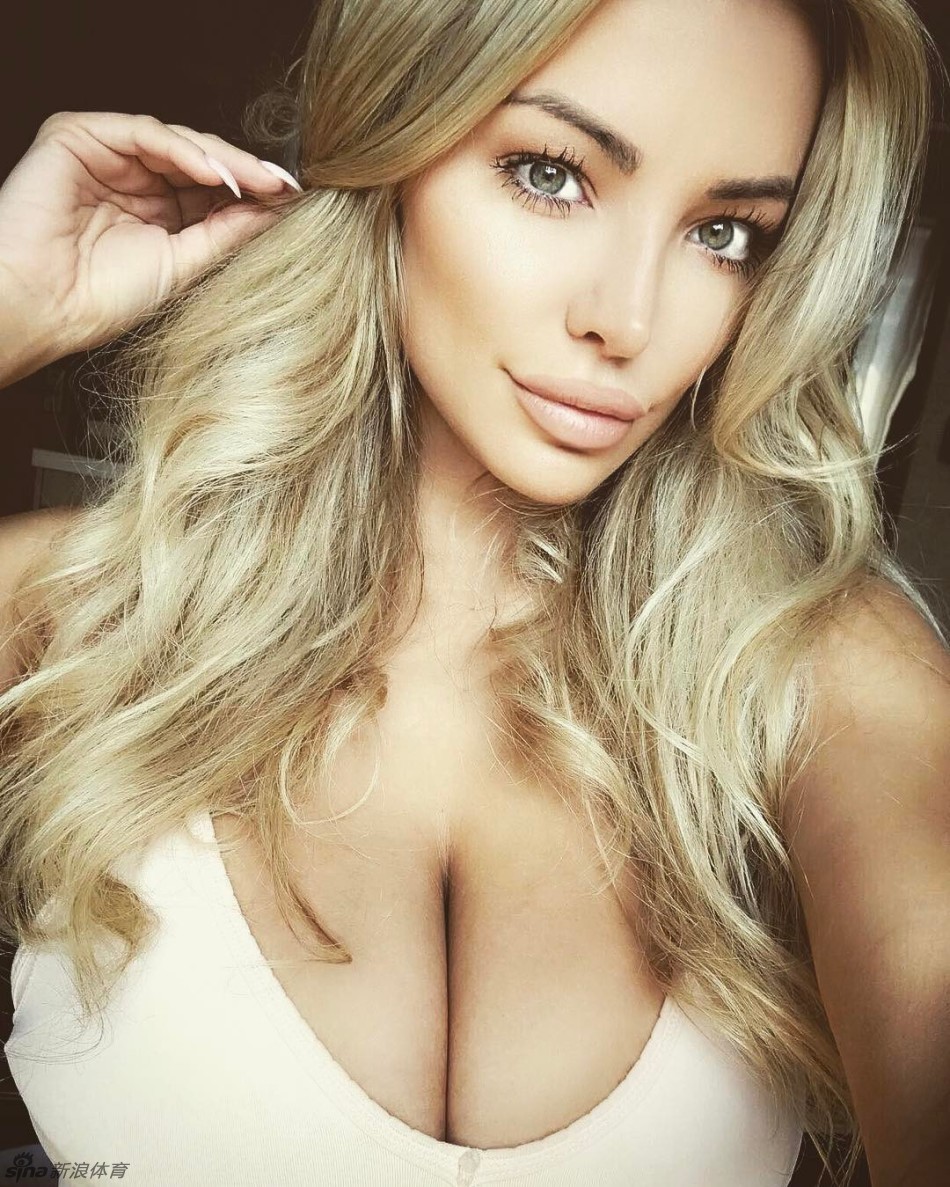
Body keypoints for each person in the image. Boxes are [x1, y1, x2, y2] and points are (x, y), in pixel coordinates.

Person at [1, 0, 948, 1184]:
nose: (627, 320)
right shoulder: (79, 607)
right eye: (550, 173)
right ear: (390, 147)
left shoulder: (818, 662)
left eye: (723, 233)